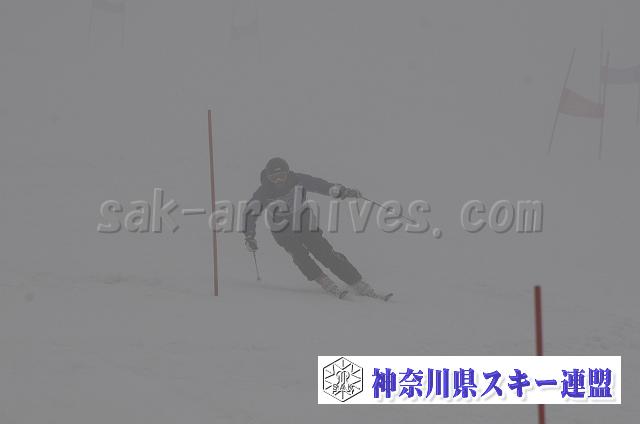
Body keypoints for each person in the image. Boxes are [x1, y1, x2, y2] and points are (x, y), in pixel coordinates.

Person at [242, 157, 389, 300]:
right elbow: (250, 212)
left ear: (288, 173)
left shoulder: (298, 180)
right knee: (299, 255)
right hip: (281, 229)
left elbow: (321, 185)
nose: (279, 180)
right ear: (268, 178)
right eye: (274, 178)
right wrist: (249, 236)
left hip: (304, 221)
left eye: (282, 176)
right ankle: (322, 279)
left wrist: (343, 191)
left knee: (325, 252)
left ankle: (356, 282)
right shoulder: (264, 192)